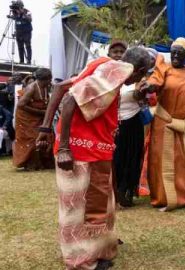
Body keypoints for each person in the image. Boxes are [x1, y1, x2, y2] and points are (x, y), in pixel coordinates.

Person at [36, 47, 152, 270]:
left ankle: (98, 250)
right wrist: (63, 148)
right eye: (143, 73)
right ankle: (79, 261)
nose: (142, 79)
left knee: (100, 205)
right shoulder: (116, 72)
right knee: (75, 209)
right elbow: (70, 99)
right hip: (77, 150)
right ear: (138, 69)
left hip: (98, 148)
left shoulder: (103, 65)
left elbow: (60, 86)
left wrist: (45, 127)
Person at [140, 37, 185, 211]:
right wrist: (148, 86)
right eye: (173, 53)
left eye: (180, 53)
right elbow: (154, 82)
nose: (176, 56)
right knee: (163, 160)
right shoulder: (163, 68)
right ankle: (165, 197)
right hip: (165, 122)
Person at [113, 49, 157, 207]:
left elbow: (141, 98)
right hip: (114, 123)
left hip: (132, 124)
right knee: (115, 159)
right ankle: (112, 192)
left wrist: (142, 92)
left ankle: (126, 192)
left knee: (129, 159)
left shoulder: (143, 80)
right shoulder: (115, 75)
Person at [13, 68, 53, 170]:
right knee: (33, 138)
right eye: (50, 79)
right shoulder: (31, 88)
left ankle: (45, 162)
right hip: (26, 118)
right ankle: (31, 164)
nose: (51, 81)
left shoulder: (45, 87)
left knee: (48, 136)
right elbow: (21, 105)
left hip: (38, 116)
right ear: (46, 79)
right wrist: (41, 112)